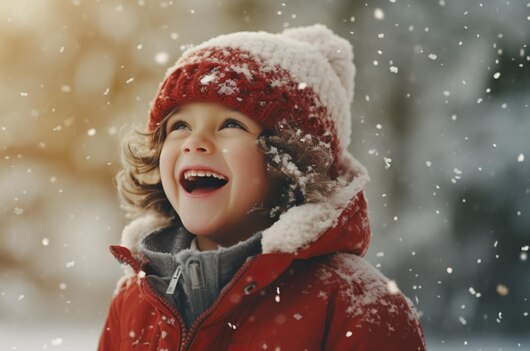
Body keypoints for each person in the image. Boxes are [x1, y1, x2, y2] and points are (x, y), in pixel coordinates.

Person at [98, 24, 426, 350]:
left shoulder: (360, 306)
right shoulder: (135, 299)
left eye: (231, 124)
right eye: (180, 125)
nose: (194, 142)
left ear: (291, 158)